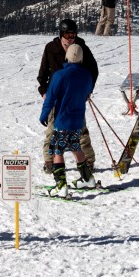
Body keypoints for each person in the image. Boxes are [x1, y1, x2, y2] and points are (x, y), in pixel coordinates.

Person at [37, 18, 98, 175]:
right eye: (68, 36)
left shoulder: (81, 46)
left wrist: (87, 90)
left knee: (81, 131)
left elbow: (93, 69)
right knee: (52, 131)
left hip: (74, 98)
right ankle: (49, 161)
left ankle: (89, 160)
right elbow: (42, 74)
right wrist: (44, 92)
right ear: (61, 34)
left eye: (73, 35)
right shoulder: (51, 48)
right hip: (56, 98)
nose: (71, 39)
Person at [40, 43, 96, 192]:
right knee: (76, 147)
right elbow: (88, 91)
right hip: (77, 120)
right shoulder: (87, 75)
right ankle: (88, 179)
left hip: (62, 121)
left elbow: (50, 98)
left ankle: (61, 185)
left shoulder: (60, 75)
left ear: (67, 56)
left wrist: (44, 115)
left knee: (58, 150)